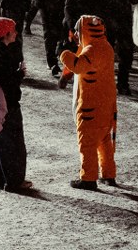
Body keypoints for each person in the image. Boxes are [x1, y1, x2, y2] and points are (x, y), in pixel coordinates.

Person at [59, 14, 118, 190]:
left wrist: (64, 53)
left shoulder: (91, 50)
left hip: (90, 106)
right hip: (106, 105)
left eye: (78, 31)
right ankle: (108, 173)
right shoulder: (106, 46)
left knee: (87, 142)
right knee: (104, 141)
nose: (77, 35)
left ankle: (88, 178)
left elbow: (78, 66)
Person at [0, 17, 34, 193]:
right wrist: (19, 74)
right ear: (6, 34)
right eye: (13, 31)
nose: (16, 33)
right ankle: (14, 181)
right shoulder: (3, 56)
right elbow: (7, 82)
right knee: (14, 144)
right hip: (7, 104)